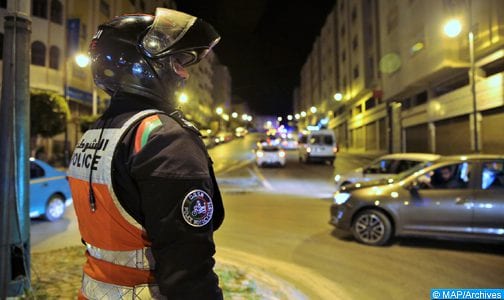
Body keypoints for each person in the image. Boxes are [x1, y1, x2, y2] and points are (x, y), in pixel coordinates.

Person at [67, 8, 224, 299]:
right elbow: (188, 265)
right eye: (177, 61)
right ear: (141, 64)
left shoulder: (94, 134)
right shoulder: (164, 137)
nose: (185, 72)